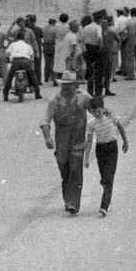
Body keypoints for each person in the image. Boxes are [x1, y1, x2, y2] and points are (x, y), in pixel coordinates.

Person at [40, 71, 95, 214]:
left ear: (75, 85)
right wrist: (47, 138)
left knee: (75, 169)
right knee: (65, 170)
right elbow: (45, 120)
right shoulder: (54, 100)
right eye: (64, 86)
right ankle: (68, 198)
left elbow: (97, 111)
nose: (67, 88)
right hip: (62, 142)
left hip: (78, 140)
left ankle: (73, 203)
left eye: (69, 85)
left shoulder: (84, 98)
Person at [88, 95, 129, 217]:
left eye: (99, 111)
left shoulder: (110, 116)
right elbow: (89, 140)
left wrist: (125, 141)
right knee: (104, 177)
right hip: (100, 149)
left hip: (112, 148)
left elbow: (120, 127)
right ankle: (108, 197)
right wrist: (87, 158)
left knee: (109, 176)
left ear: (103, 108)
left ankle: (104, 205)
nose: (97, 114)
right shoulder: (91, 123)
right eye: (94, 112)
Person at [3, 32, 42, 102]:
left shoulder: (12, 44)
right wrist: (31, 61)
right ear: (24, 38)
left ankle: (5, 95)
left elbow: (7, 54)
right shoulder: (28, 45)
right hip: (25, 62)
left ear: (17, 37)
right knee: (33, 76)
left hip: (15, 62)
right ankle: (37, 93)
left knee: (10, 77)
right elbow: (31, 57)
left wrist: (8, 59)